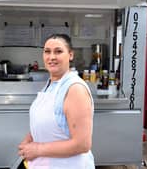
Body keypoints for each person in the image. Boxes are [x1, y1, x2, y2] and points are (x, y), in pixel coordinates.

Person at [18, 34, 95, 169]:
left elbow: (82, 144)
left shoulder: (75, 89)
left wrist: (38, 149)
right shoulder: (51, 84)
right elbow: (46, 120)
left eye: (58, 51)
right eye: (47, 51)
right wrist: (30, 139)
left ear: (70, 55)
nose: (51, 57)